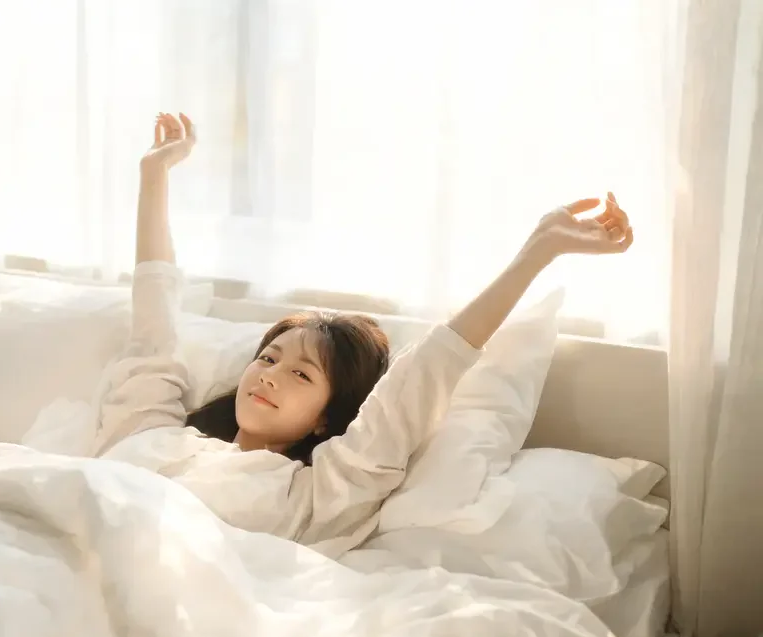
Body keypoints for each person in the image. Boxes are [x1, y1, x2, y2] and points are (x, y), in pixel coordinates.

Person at [91, 112, 634, 558]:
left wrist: (536, 253)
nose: (269, 375)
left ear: (327, 416)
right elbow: (154, 319)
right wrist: (154, 174)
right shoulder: (149, 429)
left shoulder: (314, 494)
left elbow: (423, 377)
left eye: (301, 373)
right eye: (269, 358)